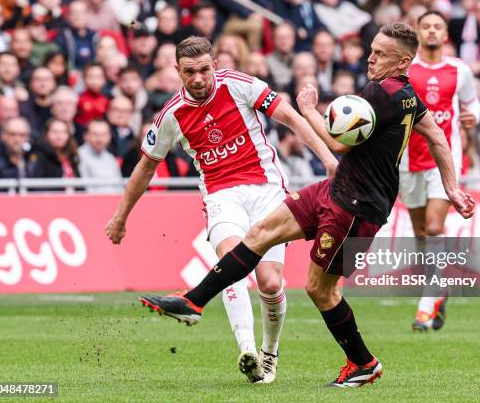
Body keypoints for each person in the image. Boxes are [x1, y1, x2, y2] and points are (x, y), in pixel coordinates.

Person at [122, 23, 475, 387]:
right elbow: (437, 135)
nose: (370, 57)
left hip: (358, 205)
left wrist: (308, 109)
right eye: (371, 49)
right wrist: (452, 186)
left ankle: (363, 363)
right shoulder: (407, 94)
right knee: (261, 233)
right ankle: (194, 302)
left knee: (321, 290)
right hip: (336, 189)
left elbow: (339, 145)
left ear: (402, 61)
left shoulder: (382, 94)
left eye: (380, 54)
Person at [105, 36, 338, 384]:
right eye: (189, 72)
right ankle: (247, 351)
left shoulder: (240, 85)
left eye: (203, 70)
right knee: (232, 264)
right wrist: (120, 217)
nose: (197, 79)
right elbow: (145, 167)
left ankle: (269, 353)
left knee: (271, 284)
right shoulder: (171, 116)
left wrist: (329, 161)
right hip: (221, 196)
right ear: (177, 71)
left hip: (267, 191)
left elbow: (290, 117)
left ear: (214, 65)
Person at [404, 11, 480, 331]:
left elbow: (472, 103)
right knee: (421, 233)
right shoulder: (405, 69)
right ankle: (439, 288)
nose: (432, 31)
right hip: (408, 160)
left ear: (446, 35)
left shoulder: (459, 70)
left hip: (444, 159)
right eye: (426, 27)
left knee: (435, 227)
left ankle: (427, 302)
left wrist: (471, 118)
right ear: (418, 33)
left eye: (437, 27)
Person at [77, 120, 122, 193]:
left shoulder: (111, 158)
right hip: (90, 202)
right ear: (86, 136)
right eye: (95, 134)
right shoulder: (78, 156)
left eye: (103, 134)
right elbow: (84, 188)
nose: (100, 139)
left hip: (113, 201)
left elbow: (119, 186)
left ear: (109, 137)